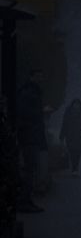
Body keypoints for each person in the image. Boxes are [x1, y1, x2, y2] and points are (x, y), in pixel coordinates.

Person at [15, 69, 49, 213]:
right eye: (38, 76)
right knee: (29, 169)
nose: (40, 79)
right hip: (29, 136)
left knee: (30, 169)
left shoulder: (31, 91)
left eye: (41, 76)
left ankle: (26, 199)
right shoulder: (29, 92)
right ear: (32, 77)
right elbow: (26, 113)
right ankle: (24, 200)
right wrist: (42, 112)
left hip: (31, 135)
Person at [59, 98, 81, 175]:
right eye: (75, 104)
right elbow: (64, 124)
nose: (76, 106)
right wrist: (61, 136)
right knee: (71, 153)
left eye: (77, 104)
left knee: (78, 153)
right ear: (72, 105)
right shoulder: (68, 112)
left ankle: (75, 168)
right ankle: (74, 169)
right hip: (70, 136)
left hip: (80, 136)